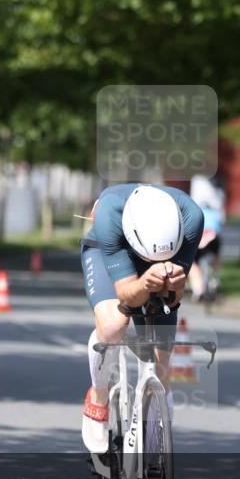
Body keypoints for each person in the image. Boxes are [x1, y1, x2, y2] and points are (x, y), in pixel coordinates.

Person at [80, 183, 204, 454]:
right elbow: (127, 295)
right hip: (107, 250)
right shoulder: (109, 214)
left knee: (161, 364)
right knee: (113, 326)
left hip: (163, 251)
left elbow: (173, 298)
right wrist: (145, 283)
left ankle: (156, 441)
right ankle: (98, 396)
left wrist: (174, 288)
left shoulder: (192, 218)